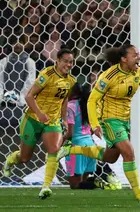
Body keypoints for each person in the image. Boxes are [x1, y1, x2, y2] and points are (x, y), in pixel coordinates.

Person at [57, 45, 140, 208]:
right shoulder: (109, 76)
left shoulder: (138, 72)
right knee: (129, 153)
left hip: (124, 120)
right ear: (124, 59)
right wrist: (94, 124)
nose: (139, 57)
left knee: (110, 157)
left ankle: (72, 149)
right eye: (135, 55)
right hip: (109, 119)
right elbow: (92, 100)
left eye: (138, 54)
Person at [2, 48, 76, 199]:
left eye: (71, 62)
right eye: (65, 61)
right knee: (24, 158)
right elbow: (29, 96)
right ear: (58, 61)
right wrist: (39, 113)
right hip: (33, 119)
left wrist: (63, 119)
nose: (68, 65)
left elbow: (64, 100)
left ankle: (46, 187)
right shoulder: (47, 75)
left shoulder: (71, 81)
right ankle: (10, 160)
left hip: (52, 121)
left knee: (54, 150)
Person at [63, 83, 118, 190]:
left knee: (74, 185)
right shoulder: (85, 105)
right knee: (82, 184)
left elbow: (70, 133)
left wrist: (60, 141)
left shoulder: (70, 106)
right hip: (90, 145)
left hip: (76, 147)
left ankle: (97, 183)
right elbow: (92, 130)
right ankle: (97, 182)